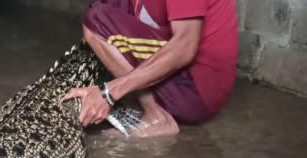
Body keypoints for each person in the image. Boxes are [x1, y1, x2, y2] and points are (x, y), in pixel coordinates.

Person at [64, 0, 238, 137]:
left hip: (196, 89)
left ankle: (156, 116)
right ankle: (136, 96)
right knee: (110, 5)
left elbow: (185, 47)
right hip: (184, 77)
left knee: (97, 21)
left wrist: (109, 92)